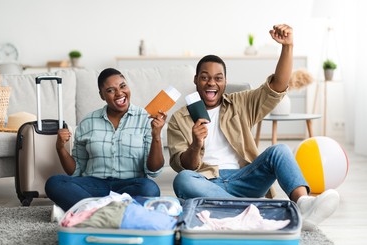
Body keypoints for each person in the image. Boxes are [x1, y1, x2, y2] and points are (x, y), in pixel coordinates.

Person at [167, 24, 340, 230]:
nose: (211, 83)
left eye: (217, 78)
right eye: (204, 77)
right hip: (207, 183)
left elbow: (277, 87)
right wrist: (196, 145)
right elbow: (184, 166)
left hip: (245, 179)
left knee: (280, 150)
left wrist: (288, 46)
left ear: (225, 81)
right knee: (183, 179)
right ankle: (255, 211)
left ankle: (303, 204)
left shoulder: (240, 103)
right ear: (196, 80)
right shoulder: (179, 119)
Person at [45, 68, 167, 212]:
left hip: (130, 185)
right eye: (110, 90)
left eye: (123, 86)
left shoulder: (146, 118)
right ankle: (116, 211)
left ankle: (90, 210)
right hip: (94, 185)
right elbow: (75, 171)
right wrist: (60, 148)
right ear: (102, 95)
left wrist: (156, 136)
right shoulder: (88, 122)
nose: (119, 93)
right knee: (55, 183)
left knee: (150, 189)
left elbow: (153, 170)